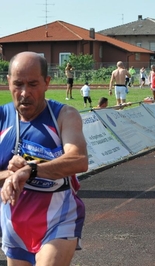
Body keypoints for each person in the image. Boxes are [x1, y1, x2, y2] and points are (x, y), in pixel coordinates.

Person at [0, 51, 88, 266]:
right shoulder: (3, 118)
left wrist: (31, 169)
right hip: (14, 224)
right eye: (18, 84)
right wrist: (10, 175)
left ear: (47, 82)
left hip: (58, 220)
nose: (24, 93)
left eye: (33, 84)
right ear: (8, 82)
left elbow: (78, 159)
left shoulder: (64, 115)